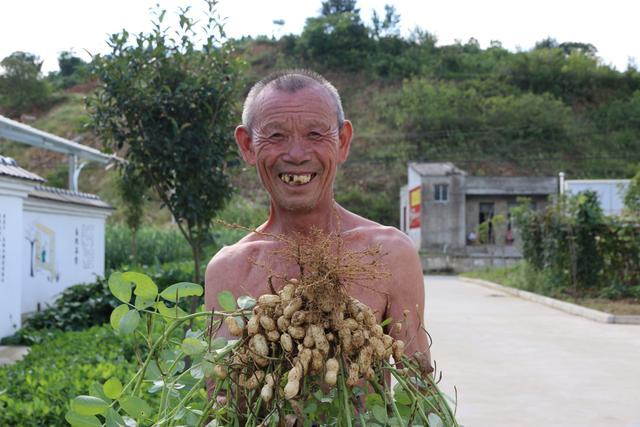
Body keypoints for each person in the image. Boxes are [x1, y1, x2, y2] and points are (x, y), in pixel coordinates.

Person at [204, 70, 432, 376]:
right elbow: (217, 400)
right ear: (247, 145)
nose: (297, 154)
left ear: (343, 141)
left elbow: (419, 391)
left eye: (315, 134)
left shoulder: (390, 254)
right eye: (275, 135)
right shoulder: (228, 269)